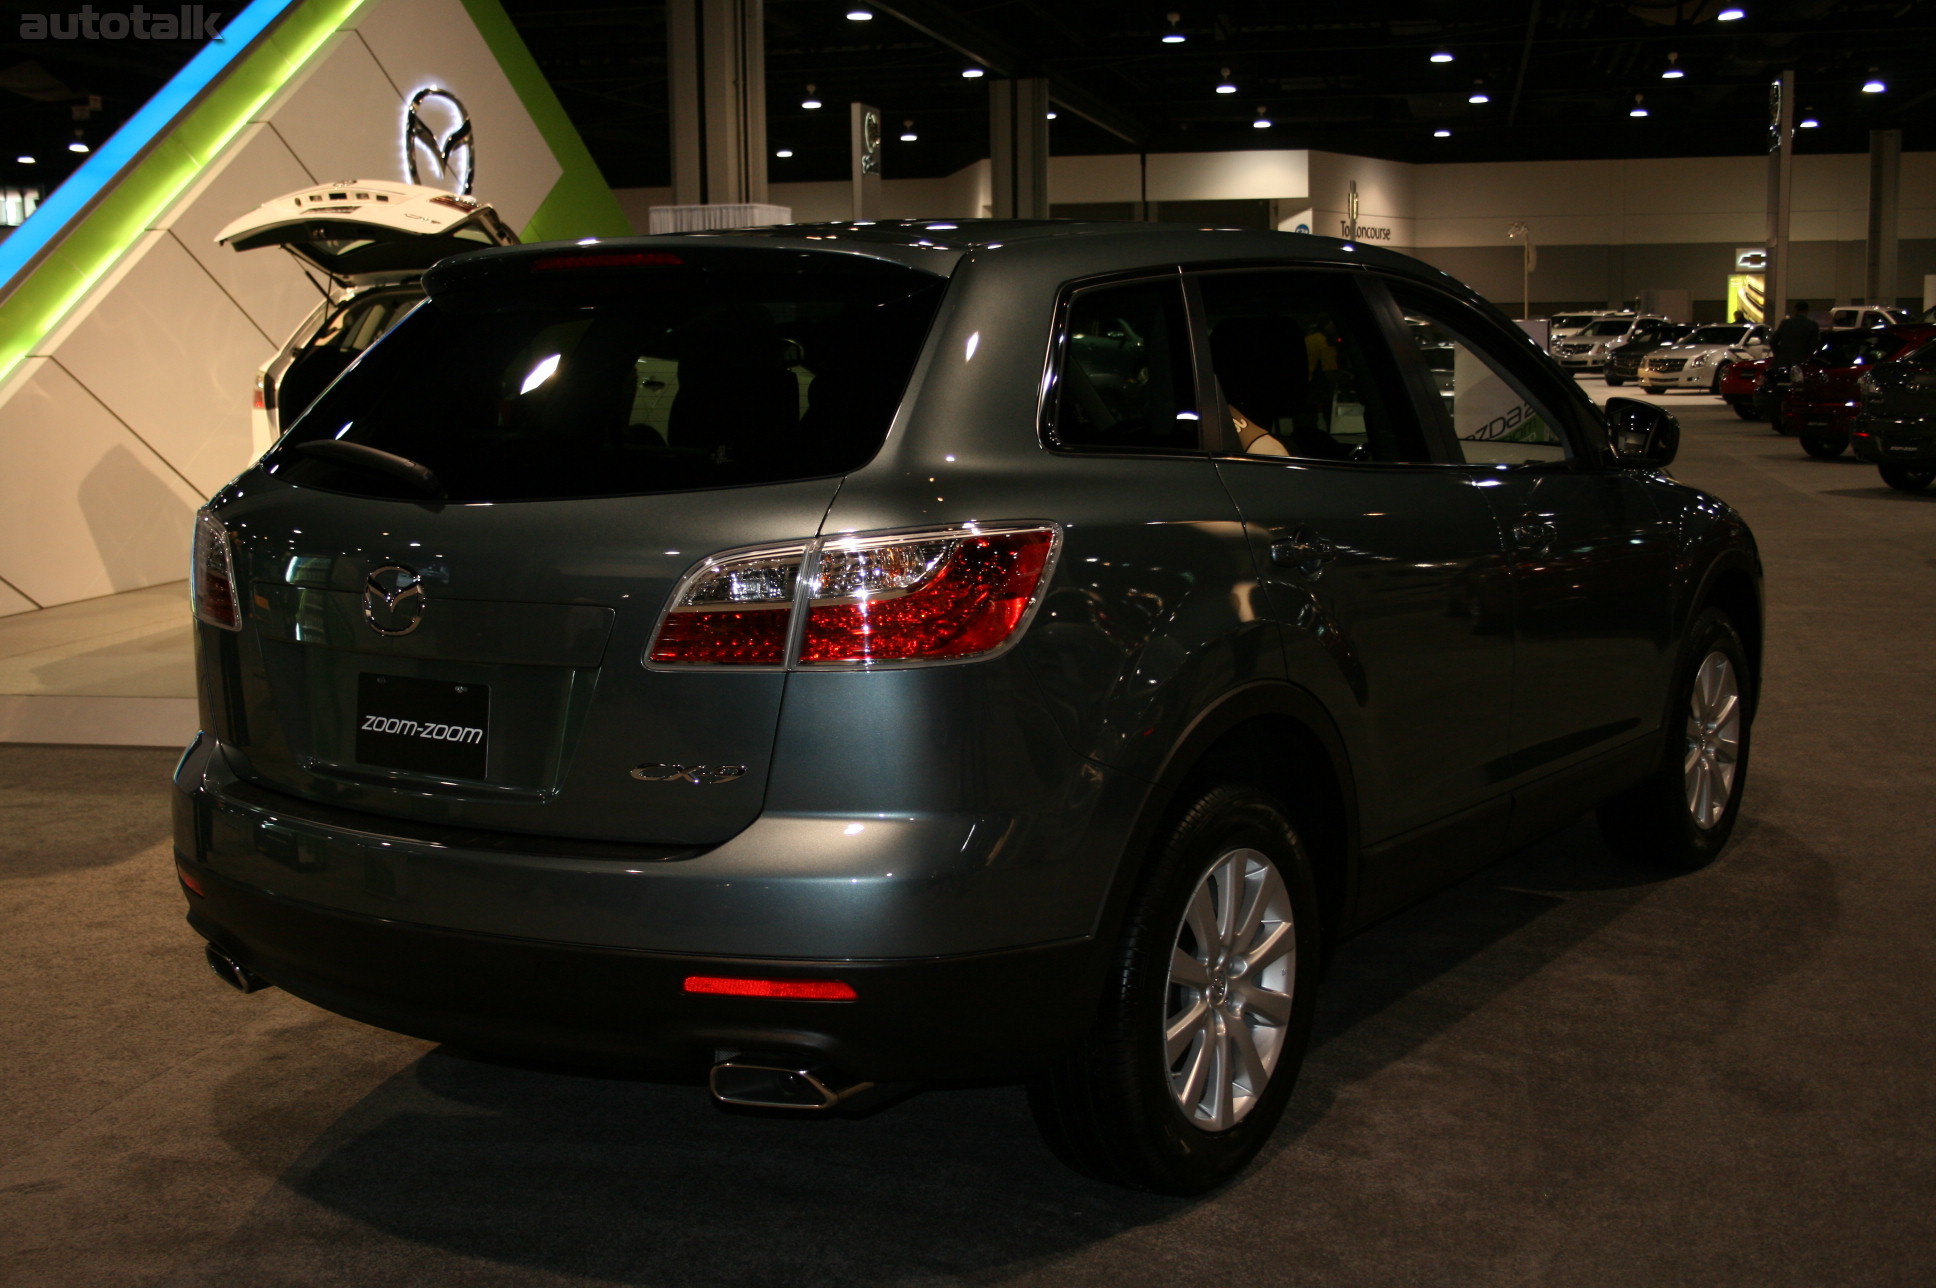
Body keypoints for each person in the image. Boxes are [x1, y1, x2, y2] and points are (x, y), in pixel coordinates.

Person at [1771, 300, 1821, 366]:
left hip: (1783, 362)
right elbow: (1814, 345)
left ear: (1795, 310)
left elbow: (1773, 341)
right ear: (1807, 310)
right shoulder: (1812, 325)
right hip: (1802, 363)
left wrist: (1778, 354)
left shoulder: (1785, 323)